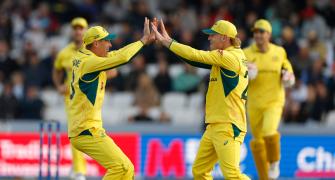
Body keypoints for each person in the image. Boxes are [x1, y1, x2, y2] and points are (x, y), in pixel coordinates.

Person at [152, 19, 250, 180]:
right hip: (215, 125)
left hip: (228, 125)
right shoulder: (227, 58)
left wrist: (167, 41)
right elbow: (194, 59)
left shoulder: (228, 57)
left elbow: (195, 55)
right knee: (199, 171)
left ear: (225, 38)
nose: (209, 38)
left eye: (213, 35)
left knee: (232, 174)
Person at [69, 17, 154, 180]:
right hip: (85, 130)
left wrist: (140, 42)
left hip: (86, 128)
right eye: (106, 41)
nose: (110, 45)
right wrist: (142, 41)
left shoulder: (86, 57)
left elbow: (116, 54)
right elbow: (122, 58)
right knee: (122, 167)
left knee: (127, 169)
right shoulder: (89, 62)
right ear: (95, 44)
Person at [243, 19, 295, 180]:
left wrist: (288, 78)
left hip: (274, 101)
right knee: (258, 142)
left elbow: (287, 71)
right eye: (256, 32)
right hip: (254, 103)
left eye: (261, 32)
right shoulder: (245, 53)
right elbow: (238, 75)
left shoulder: (279, 52)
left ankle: (274, 162)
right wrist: (246, 74)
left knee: (269, 132)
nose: (258, 35)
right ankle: (265, 177)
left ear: (269, 35)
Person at [52, 17, 88, 180]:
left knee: (82, 133)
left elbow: (112, 71)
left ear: (86, 31)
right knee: (75, 133)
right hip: (71, 99)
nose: (78, 31)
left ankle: (78, 168)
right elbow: (57, 70)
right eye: (75, 28)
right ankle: (79, 170)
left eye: (81, 28)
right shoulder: (64, 52)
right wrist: (59, 85)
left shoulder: (92, 50)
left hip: (89, 99)